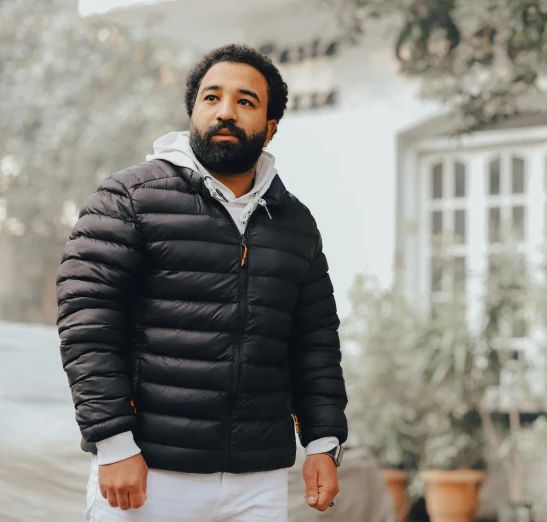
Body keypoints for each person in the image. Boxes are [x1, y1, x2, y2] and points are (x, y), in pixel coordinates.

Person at [56, 43, 348, 521]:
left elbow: (315, 342)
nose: (226, 112)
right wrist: (112, 442)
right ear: (193, 111)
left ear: (271, 127)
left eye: (246, 102)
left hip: (259, 483)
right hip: (149, 473)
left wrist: (323, 442)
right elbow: (88, 326)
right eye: (211, 98)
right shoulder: (127, 199)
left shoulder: (295, 224)